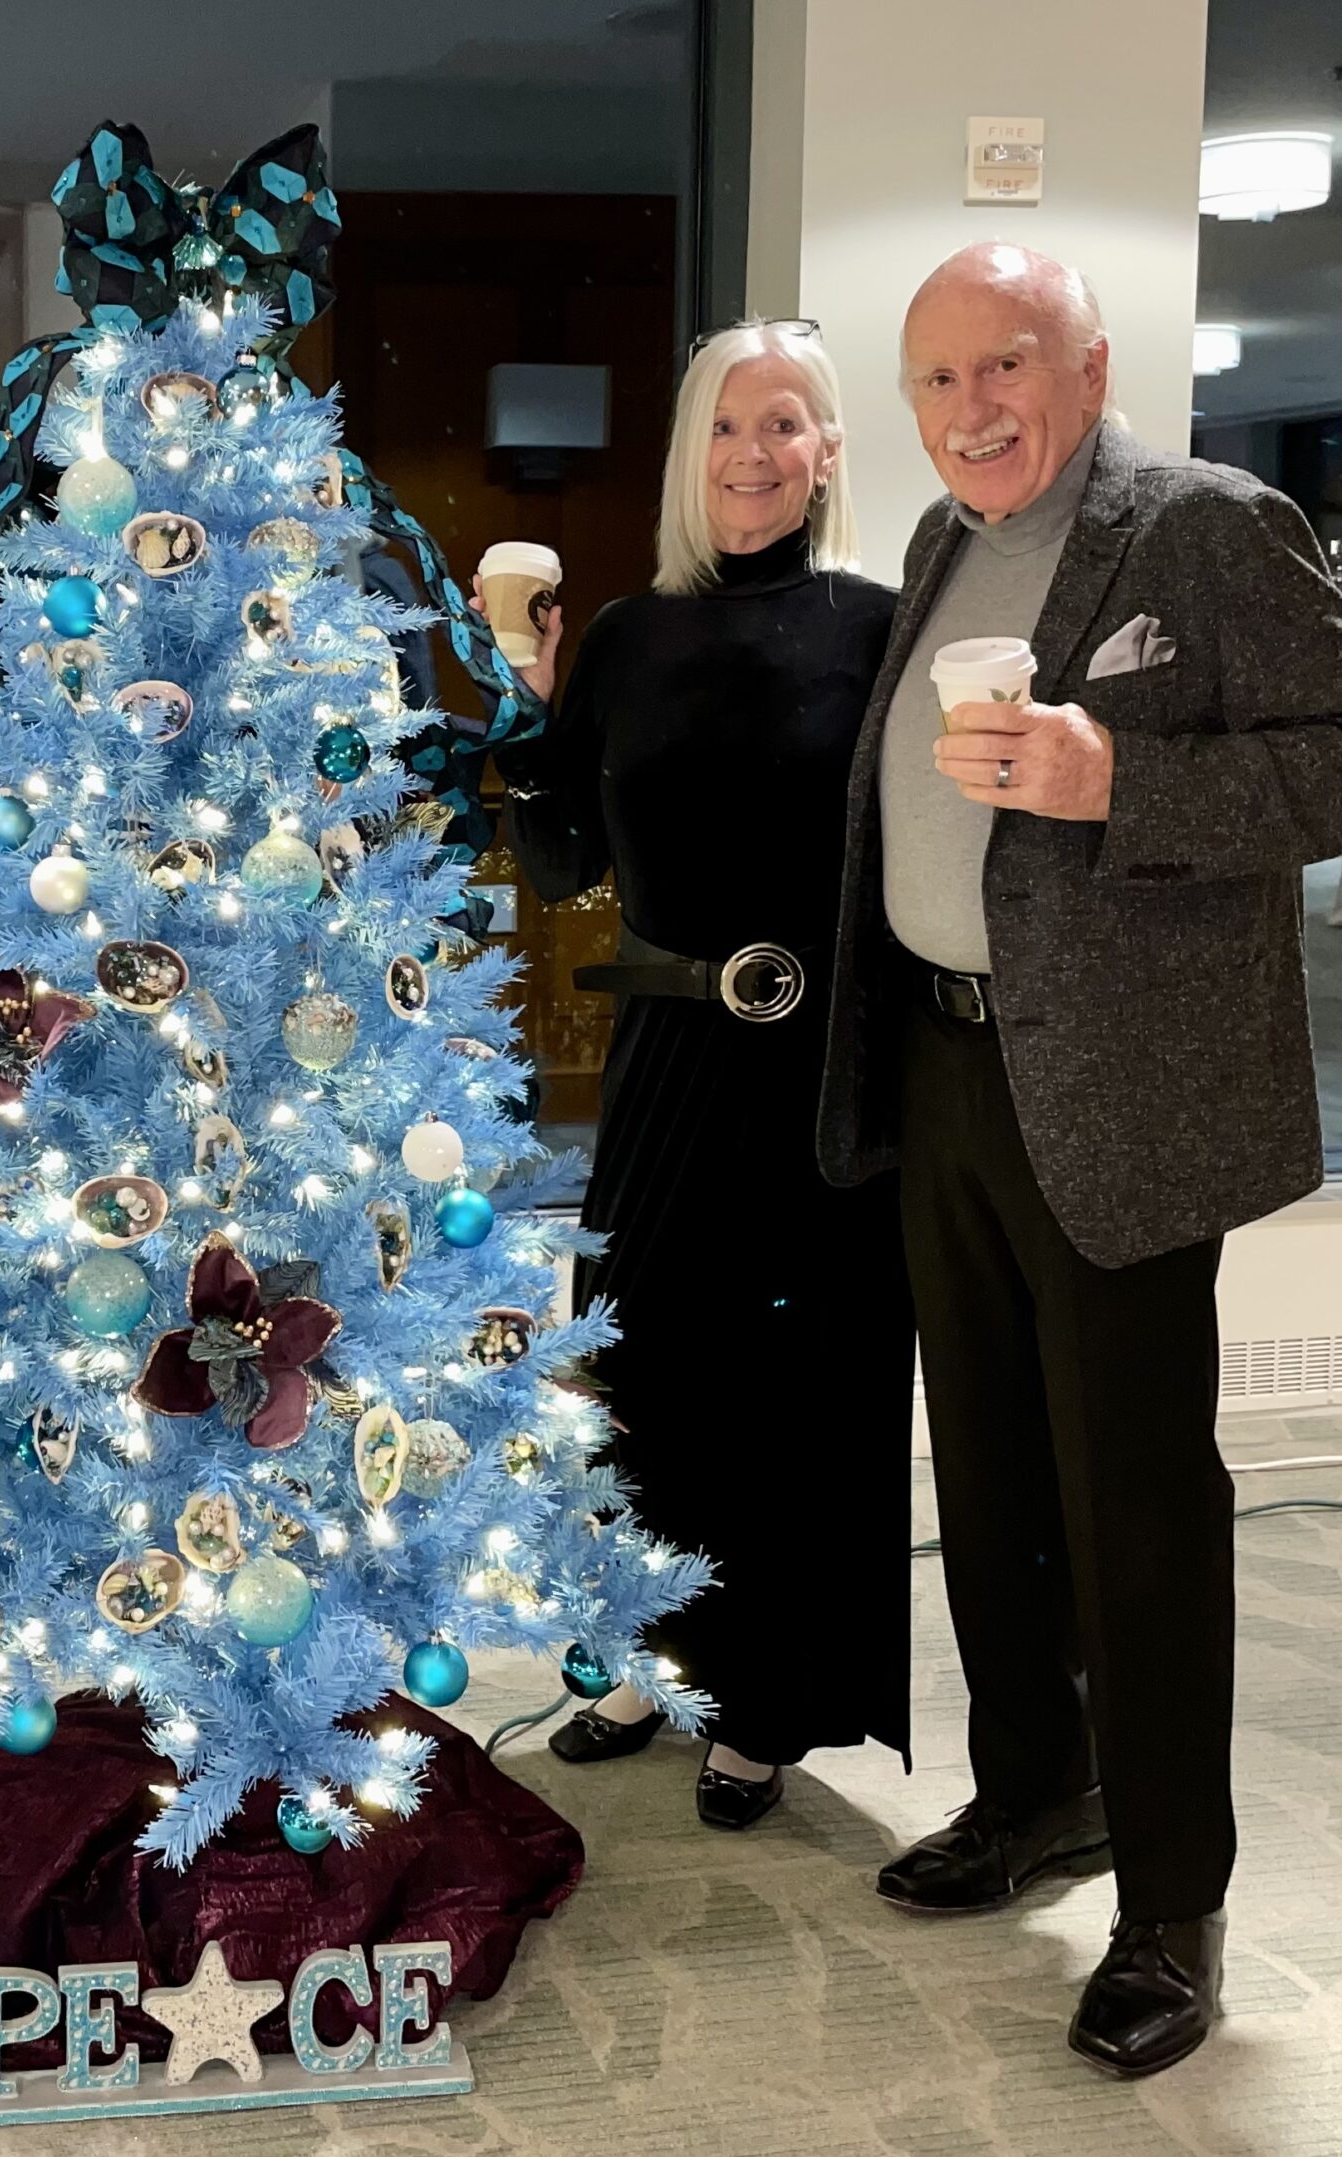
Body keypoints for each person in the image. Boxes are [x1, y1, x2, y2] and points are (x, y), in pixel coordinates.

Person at [818, 243, 1342, 2076]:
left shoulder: (1206, 526)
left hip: (1126, 1107)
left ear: (1086, 366)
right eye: (933, 380)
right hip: (944, 1066)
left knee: (1138, 1508)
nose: (968, 409)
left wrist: (1120, 783)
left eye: (1004, 365)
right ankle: (1037, 1793)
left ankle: (1174, 1903)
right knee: (989, 1471)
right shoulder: (937, 550)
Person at [494, 321, 912, 1829]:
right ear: (694, 453)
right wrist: (530, 709)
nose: (756, 455)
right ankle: (630, 1661)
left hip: (820, 1072)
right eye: (731, 428)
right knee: (641, 1375)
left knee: (795, 1394)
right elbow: (559, 864)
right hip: (667, 1060)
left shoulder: (884, 626)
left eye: (787, 424)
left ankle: (758, 1703)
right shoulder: (623, 635)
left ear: (828, 448)